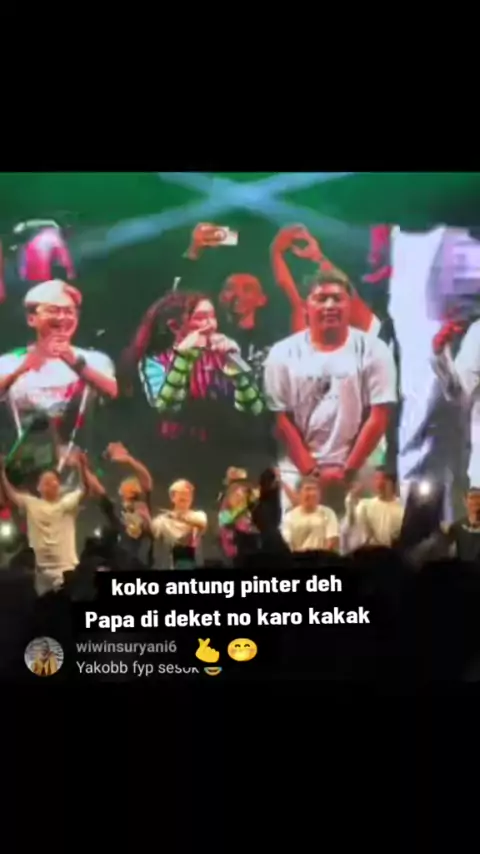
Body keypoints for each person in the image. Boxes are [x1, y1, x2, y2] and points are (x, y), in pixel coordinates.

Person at [263, 269, 397, 513]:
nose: (330, 305)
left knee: (366, 535)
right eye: (321, 298)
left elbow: (379, 416)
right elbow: (281, 419)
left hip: (361, 465)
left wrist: (348, 470)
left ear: (349, 304)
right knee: (299, 533)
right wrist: (311, 471)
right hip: (299, 466)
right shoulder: (281, 353)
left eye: (337, 298)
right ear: (306, 306)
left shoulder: (375, 350)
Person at [0, 279, 117, 452]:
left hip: (80, 460)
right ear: (31, 319)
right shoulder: (9, 362)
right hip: (25, 462)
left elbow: (112, 393)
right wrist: (21, 369)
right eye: (53, 310)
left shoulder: (94, 360)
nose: (62, 317)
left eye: (69, 311)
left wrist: (75, 364)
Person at [0, 451, 90, 595]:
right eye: (46, 482)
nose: (51, 484)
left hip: (66, 570)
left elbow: (85, 488)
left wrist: (82, 467)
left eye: (54, 480)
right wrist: (2, 472)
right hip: (42, 575)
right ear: (39, 487)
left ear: (58, 485)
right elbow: (11, 494)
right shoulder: (31, 503)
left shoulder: (67, 504)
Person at [79, 442, 154, 569]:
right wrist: (82, 466)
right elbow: (97, 488)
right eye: (129, 484)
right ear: (121, 490)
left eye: (135, 484)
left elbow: (146, 480)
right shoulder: (115, 508)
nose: (134, 486)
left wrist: (129, 460)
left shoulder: (141, 506)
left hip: (139, 563)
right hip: (118, 563)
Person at [151, 480, 207, 568]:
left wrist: (180, 517)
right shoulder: (162, 520)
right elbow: (153, 530)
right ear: (172, 497)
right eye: (182, 493)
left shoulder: (198, 515)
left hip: (191, 564)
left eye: (189, 494)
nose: (186, 496)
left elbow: (202, 523)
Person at [344, 469, 404, 549]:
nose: (378, 483)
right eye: (376, 479)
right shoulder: (365, 506)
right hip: (373, 552)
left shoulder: (403, 507)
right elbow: (351, 522)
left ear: (391, 483)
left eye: (382, 479)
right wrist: (351, 498)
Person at [282, 477, 339, 553]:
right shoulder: (289, 517)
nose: (312, 493)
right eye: (308, 489)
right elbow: (287, 543)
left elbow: (332, 540)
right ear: (299, 493)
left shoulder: (328, 513)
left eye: (315, 489)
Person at [441, 488, 480, 562]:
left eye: (478, 498)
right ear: (465, 501)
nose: (476, 502)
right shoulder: (457, 527)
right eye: (472, 498)